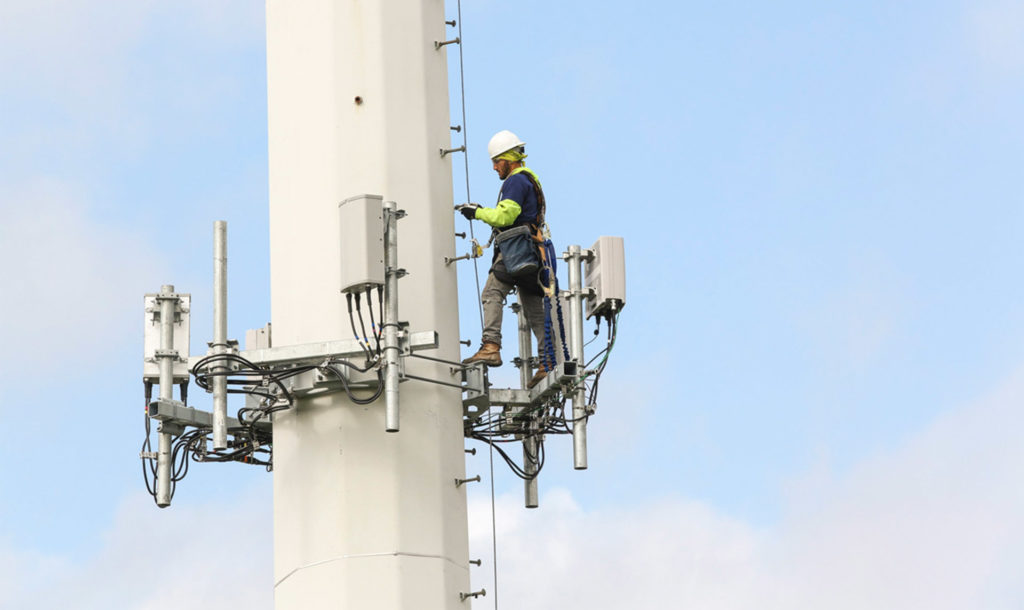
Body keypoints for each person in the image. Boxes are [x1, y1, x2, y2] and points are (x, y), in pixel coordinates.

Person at [460, 130, 550, 389]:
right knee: (534, 308)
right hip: (533, 253)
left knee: (491, 292)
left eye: (496, 161)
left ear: (509, 159)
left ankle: (491, 345)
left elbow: (505, 217)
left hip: (515, 250)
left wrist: (477, 213)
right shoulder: (530, 181)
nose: (494, 167)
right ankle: (547, 362)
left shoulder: (515, 181)